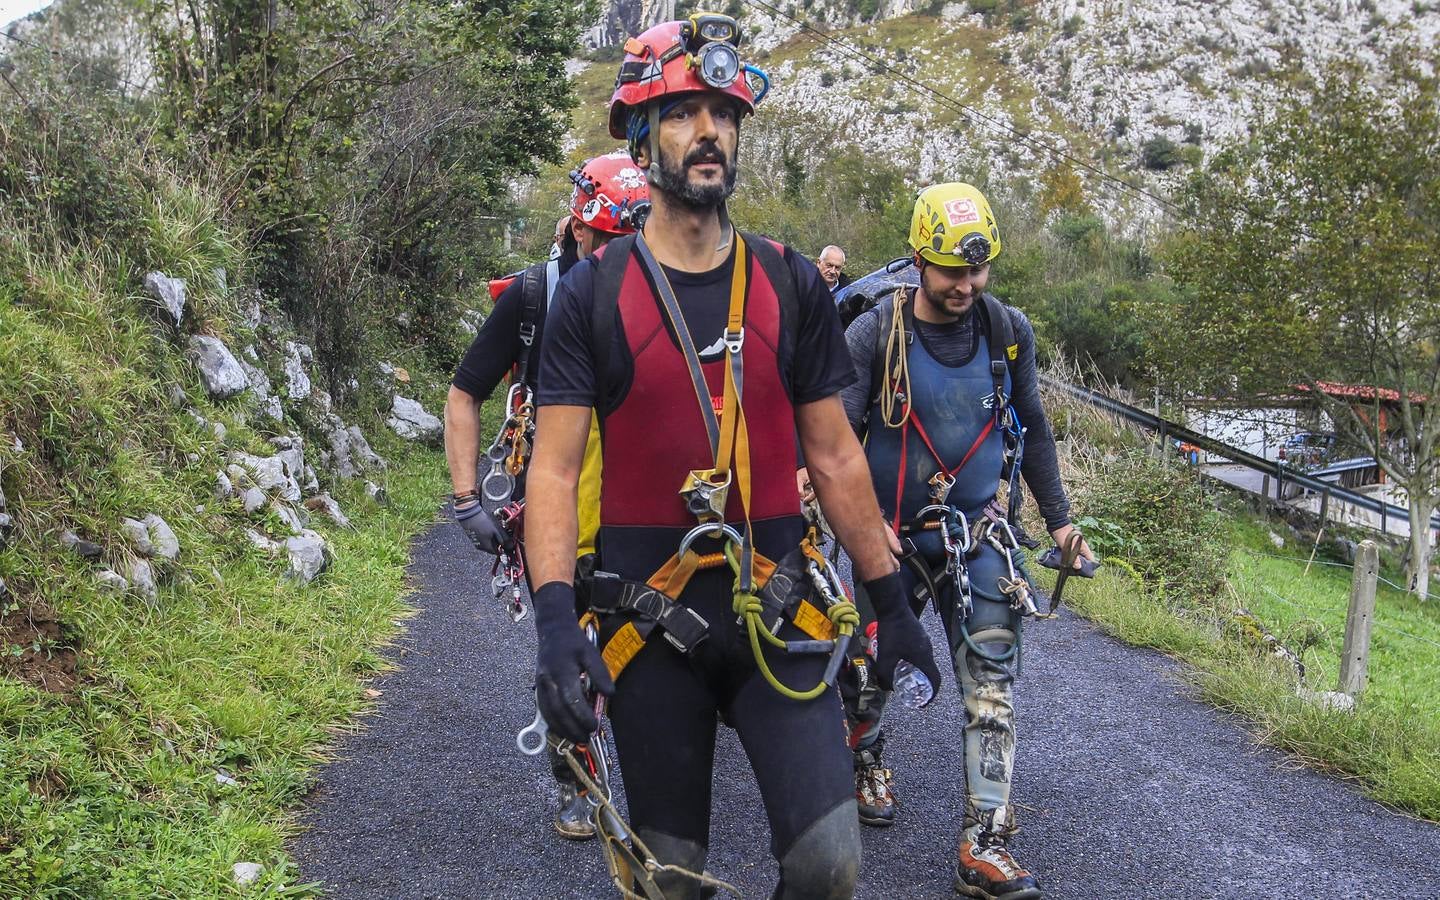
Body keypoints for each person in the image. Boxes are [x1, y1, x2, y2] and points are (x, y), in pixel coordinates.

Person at [523, 14, 940, 899]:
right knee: (668, 881)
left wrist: (889, 603)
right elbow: (554, 473)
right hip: (650, 628)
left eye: (724, 112)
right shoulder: (594, 296)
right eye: (681, 113)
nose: (708, 131)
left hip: (778, 614)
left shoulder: (790, 284)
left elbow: (834, 456)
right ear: (645, 136)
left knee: (829, 867)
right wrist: (557, 630)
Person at [841, 183, 1094, 900]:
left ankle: (982, 844)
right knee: (870, 675)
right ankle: (866, 762)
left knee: (992, 689)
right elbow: (836, 439)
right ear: (919, 259)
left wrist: (1062, 519)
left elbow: (1035, 429)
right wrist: (859, 527)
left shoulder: (1007, 331)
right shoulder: (873, 335)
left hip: (981, 537)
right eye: (952, 270)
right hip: (887, 540)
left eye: (976, 270)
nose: (966, 284)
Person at [443, 150, 649, 841]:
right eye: (608, 244)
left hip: (638, 498)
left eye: (632, 246)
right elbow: (464, 391)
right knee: (565, 638)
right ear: (579, 230)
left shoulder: (662, 298)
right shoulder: (535, 297)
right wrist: (467, 498)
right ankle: (576, 779)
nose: (620, 260)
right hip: (554, 497)